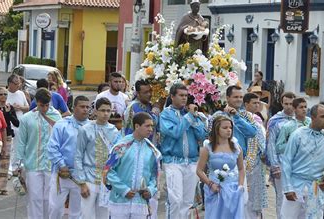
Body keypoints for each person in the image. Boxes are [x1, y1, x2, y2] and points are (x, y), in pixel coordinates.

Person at [281, 104, 324, 218]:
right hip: (295, 186)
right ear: (313, 117)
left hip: (315, 187)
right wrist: (288, 188)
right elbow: (287, 161)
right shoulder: (298, 135)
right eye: (323, 117)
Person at [159, 83, 206, 219]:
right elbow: (176, 132)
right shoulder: (165, 115)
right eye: (181, 95)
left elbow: (202, 135)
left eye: (186, 96)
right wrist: (189, 117)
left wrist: (195, 118)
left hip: (191, 162)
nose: (184, 98)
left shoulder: (191, 114)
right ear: (172, 97)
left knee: (187, 201)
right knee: (175, 199)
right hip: (173, 161)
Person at [104, 112, 161, 219]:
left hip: (141, 201)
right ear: (137, 126)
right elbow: (109, 171)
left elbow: (155, 175)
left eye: (152, 126)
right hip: (120, 200)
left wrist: (150, 190)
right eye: (147, 126)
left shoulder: (152, 150)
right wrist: (123, 190)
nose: (150, 129)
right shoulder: (121, 146)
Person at [16, 88, 61, 218]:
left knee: (49, 199)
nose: (45, 108)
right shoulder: (27, 118)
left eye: (47, 105)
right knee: (34, 198)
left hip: (51, 164)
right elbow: (21, 142)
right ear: (36, 102)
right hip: (32, 163)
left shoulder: (56, 116)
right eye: (42, 105)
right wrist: (18, 164)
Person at [74, 97, 120, 219]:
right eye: (102, 110)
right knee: (86, 215)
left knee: (104, 215)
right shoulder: (85, 130)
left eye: (108, 111)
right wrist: (82, 183)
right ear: (95, 111)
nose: (105, 114)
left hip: (106, 180)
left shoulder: (114, 131)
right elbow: (78, 156)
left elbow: (116, 157)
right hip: (89, 178)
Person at [48, 96, 90, 219]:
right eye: (82, 107)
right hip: (62, 174)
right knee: (55, 208)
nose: (85, 110)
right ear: (73, 108)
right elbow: (52, 147)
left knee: (78, 212)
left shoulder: (92, 127)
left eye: (87, 107)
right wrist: (62, 164)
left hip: (81, 177)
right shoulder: (62, 125)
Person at [196, 115, 245, 218]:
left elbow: (241, 168)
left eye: (230, 128)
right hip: (215, 189)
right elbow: (199, 170)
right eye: (225, 128)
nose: (229, 130)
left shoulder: (236, 148)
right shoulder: (208, 148)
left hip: (233, 189)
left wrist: (240, 186)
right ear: (216, 129)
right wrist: (210, 184)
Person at [265, 91, 296, 218]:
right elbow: (271, 145)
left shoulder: (301, 120)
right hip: (281, 163)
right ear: (282, 104)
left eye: (291, 103)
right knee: (282, 197)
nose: (288, 106)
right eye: (286, 103)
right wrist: (274, 166)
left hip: (298, 165)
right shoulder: (275, 121)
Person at [210, 85, 257, 157]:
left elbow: (252, 133)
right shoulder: (217, 116)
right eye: (236, 97)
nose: (239, 99)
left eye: (241, 97)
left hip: (241, 159)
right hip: (221, 158)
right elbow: (210, 137)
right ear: (227, 98)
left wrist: (236, 117)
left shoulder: (246, 115)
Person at [242, 92, 268, 218]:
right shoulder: (241, 119)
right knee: (246, 195)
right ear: (246, 104)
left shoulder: (257, 119)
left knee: (255, 195)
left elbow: (262, 141)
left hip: (256, 162)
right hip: (245, 160)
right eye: (254, 103)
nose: (257, 105)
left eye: (258, 102)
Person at [0, 87, 20, 195]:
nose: (3, 97)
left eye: (5, 94)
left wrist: (8, 113)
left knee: (5, 162)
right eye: (1, 94)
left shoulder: (9, 107)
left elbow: (17, 123)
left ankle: (2, 187)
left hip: (7, 136)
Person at [6, 74, 29, 176]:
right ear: (10, 84)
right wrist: (11, 108)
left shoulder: (21, 94)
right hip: (8, 124)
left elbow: (27, 107)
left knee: (18, 146)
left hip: (20, 123)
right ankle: (9, 168)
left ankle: (16, 166)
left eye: (19, 83)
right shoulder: (5, 94)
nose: (18, 86)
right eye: (16, 84)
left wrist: (20, 107)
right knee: (9, 147)